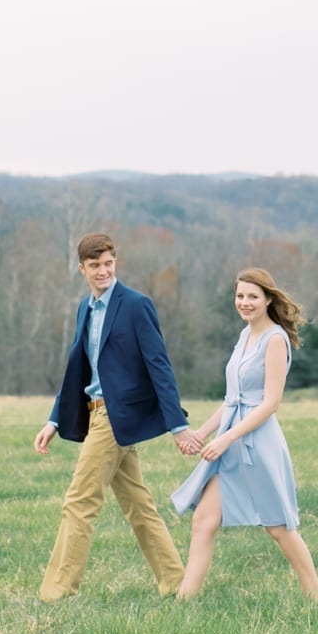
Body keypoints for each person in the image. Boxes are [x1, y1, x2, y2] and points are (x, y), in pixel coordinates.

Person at [34, 232, 202, 601]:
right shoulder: (84, 308)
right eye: (94, 266)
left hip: (115, 418)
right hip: (94, 414)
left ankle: (58, 592)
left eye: (108, 264)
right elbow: (78, 371)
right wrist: (54, 420)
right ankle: (177, 583)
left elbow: (159, 366)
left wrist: (178, 425)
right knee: (138, 505)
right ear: (82, 269)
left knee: (79, 502)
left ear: (115, 263)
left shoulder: (136, 305)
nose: (103, 271)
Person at [171, 267, 318, 601]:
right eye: (240, 295)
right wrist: (203, 432)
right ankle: (184, 601)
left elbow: (270, 404)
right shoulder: (245, 335)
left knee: (279, 527)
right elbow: (232, 400)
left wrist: (226, 439)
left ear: (268, 299)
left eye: (252, 296)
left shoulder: (275, 340)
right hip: (230, 440)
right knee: (203, 520)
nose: (244, 302)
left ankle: (317, 601)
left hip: (258, 445)